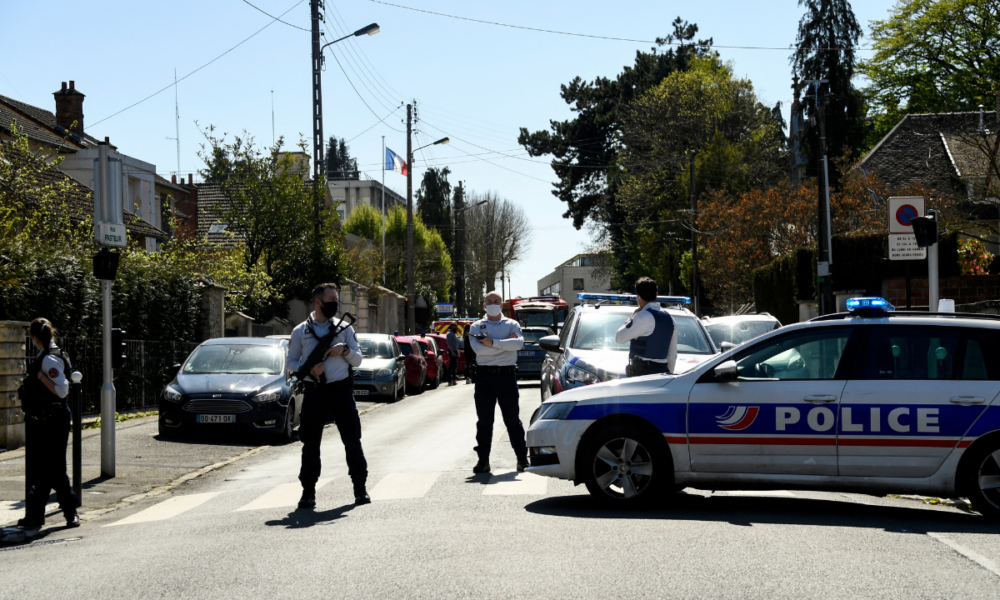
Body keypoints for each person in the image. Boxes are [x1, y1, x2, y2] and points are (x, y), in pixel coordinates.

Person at [287, 283, 370, 508]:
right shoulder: (300, 331)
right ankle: (308, 492)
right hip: (314, 393)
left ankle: (360, 489)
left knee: (352, 440)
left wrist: (344, 350)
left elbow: (358, 359)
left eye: (336, 299)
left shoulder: (345, 328)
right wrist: (309, 369)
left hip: (341, 391)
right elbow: (291, 362)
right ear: (318, 302)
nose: (335, 303)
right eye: (331, 299)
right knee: (310, 443)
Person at [17, 318, 79, 536]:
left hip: (54, 418)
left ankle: (70, 511)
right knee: (44, 468)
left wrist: (41, 376)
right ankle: (37, 514)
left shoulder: (49, 360)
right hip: (47, 418)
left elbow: (62, 390)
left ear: (35, 338)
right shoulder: (50, 354)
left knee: (54, 468)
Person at [467, 291, 528, 473]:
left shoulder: (512, 324)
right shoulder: (476, 326)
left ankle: (522, 459)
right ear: (484, 304)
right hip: (484, 378)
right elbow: (478, 350)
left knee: (513, 421)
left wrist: (492, 342)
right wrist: (504, 343)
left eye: (496, 301)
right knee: (484, 422)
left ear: (502, 304)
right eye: (489, 301)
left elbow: (518, 345)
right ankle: (483, 461)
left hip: (507, 377)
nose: (493, 303)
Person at [615, 277, 678, 377]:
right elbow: (672, 355)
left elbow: (619, 338)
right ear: (656, 295)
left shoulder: (641, 316)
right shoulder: (670, 319)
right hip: (663, 374)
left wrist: (632, 317)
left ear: (638, 297)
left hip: (642, 374)